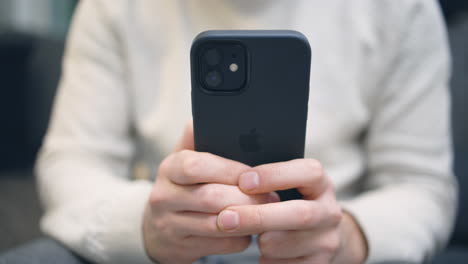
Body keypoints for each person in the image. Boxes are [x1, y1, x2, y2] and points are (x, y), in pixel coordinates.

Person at [31, 0, 456, 263]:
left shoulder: (402, 8)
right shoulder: (112, 7)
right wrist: (142, 226)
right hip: (168, 249)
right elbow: (70, 164)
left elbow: (422, 187)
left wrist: (347, 238)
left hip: (325, 251)